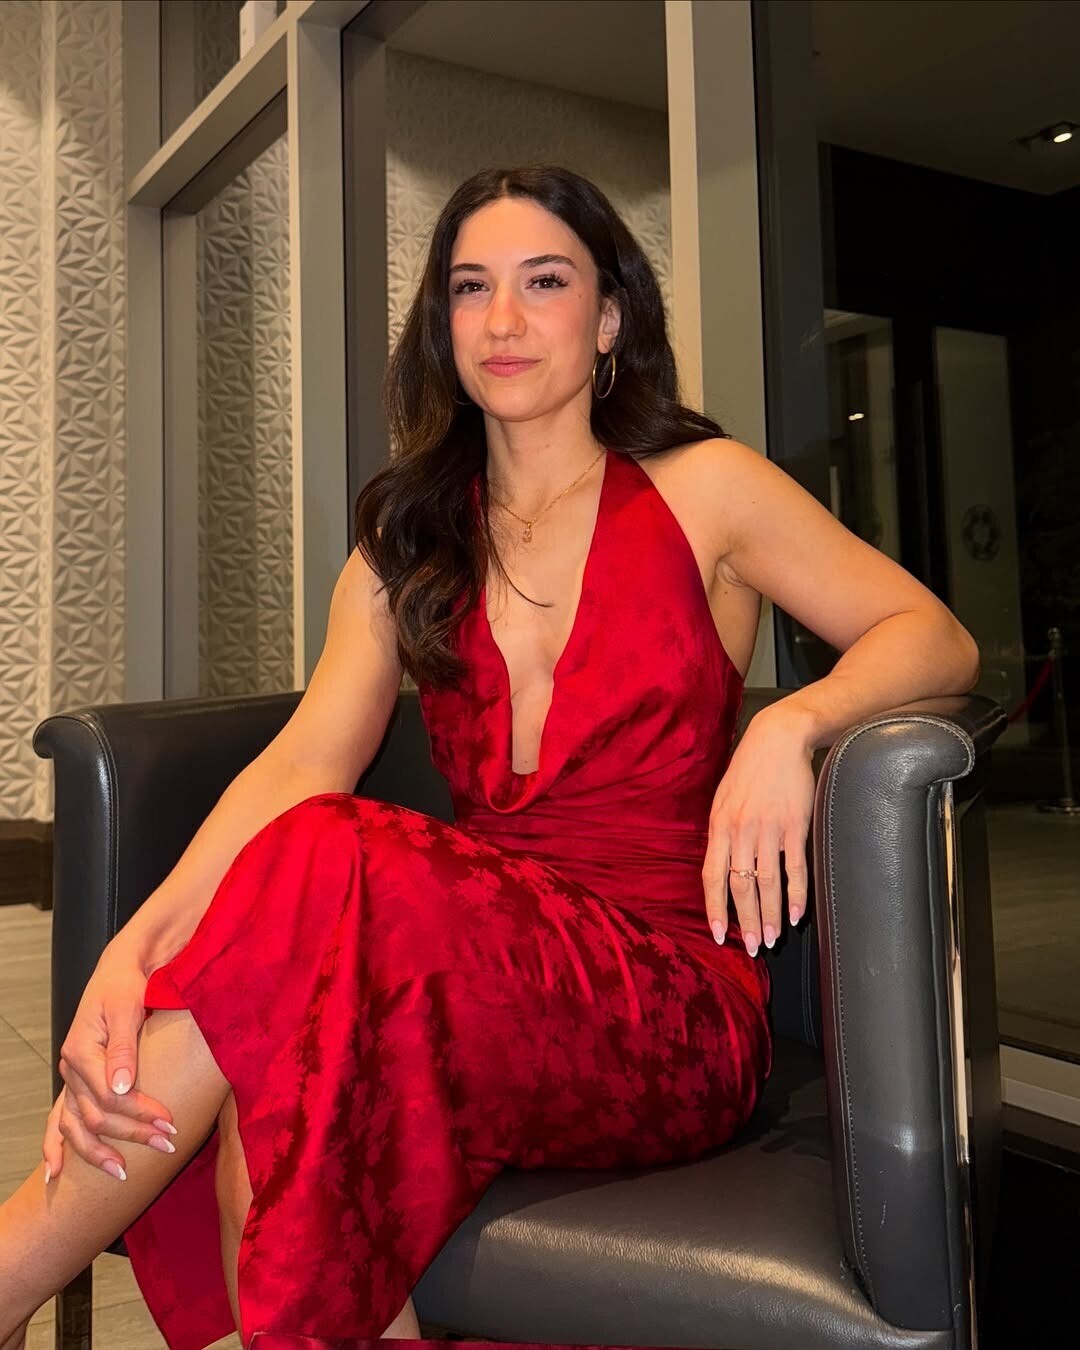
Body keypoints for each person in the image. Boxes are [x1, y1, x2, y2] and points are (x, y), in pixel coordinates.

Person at [0, 163, 979, 1350]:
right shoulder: (408, 535)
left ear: (609, 317)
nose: (503, 319)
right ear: (442, 324)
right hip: (461, 982)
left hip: (667, 1007)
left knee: (325, 884)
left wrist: (791, 723)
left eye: (544, 281)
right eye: (471, 288)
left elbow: (935, 636)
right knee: (299, 1010)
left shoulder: (708, 489)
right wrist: (137, 950)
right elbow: (304, 761)